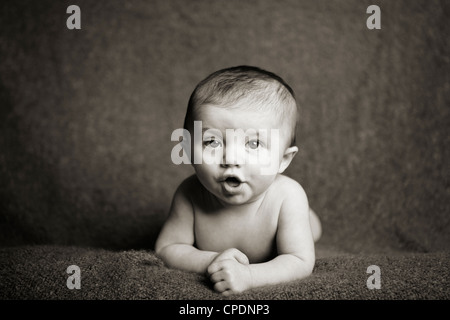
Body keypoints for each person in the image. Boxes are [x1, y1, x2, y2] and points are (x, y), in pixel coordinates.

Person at [155, 66, 322, 295]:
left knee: (309, 230)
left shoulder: (287, 196)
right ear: (187, 150)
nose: (231, 159)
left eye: (253, 144)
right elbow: (167, 248)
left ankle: (308, 219)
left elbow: (299, 260)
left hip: (294, 219)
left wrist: (250, 275)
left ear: (283, 160)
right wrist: (213, 262)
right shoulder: (189, 193)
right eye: (212, 142)